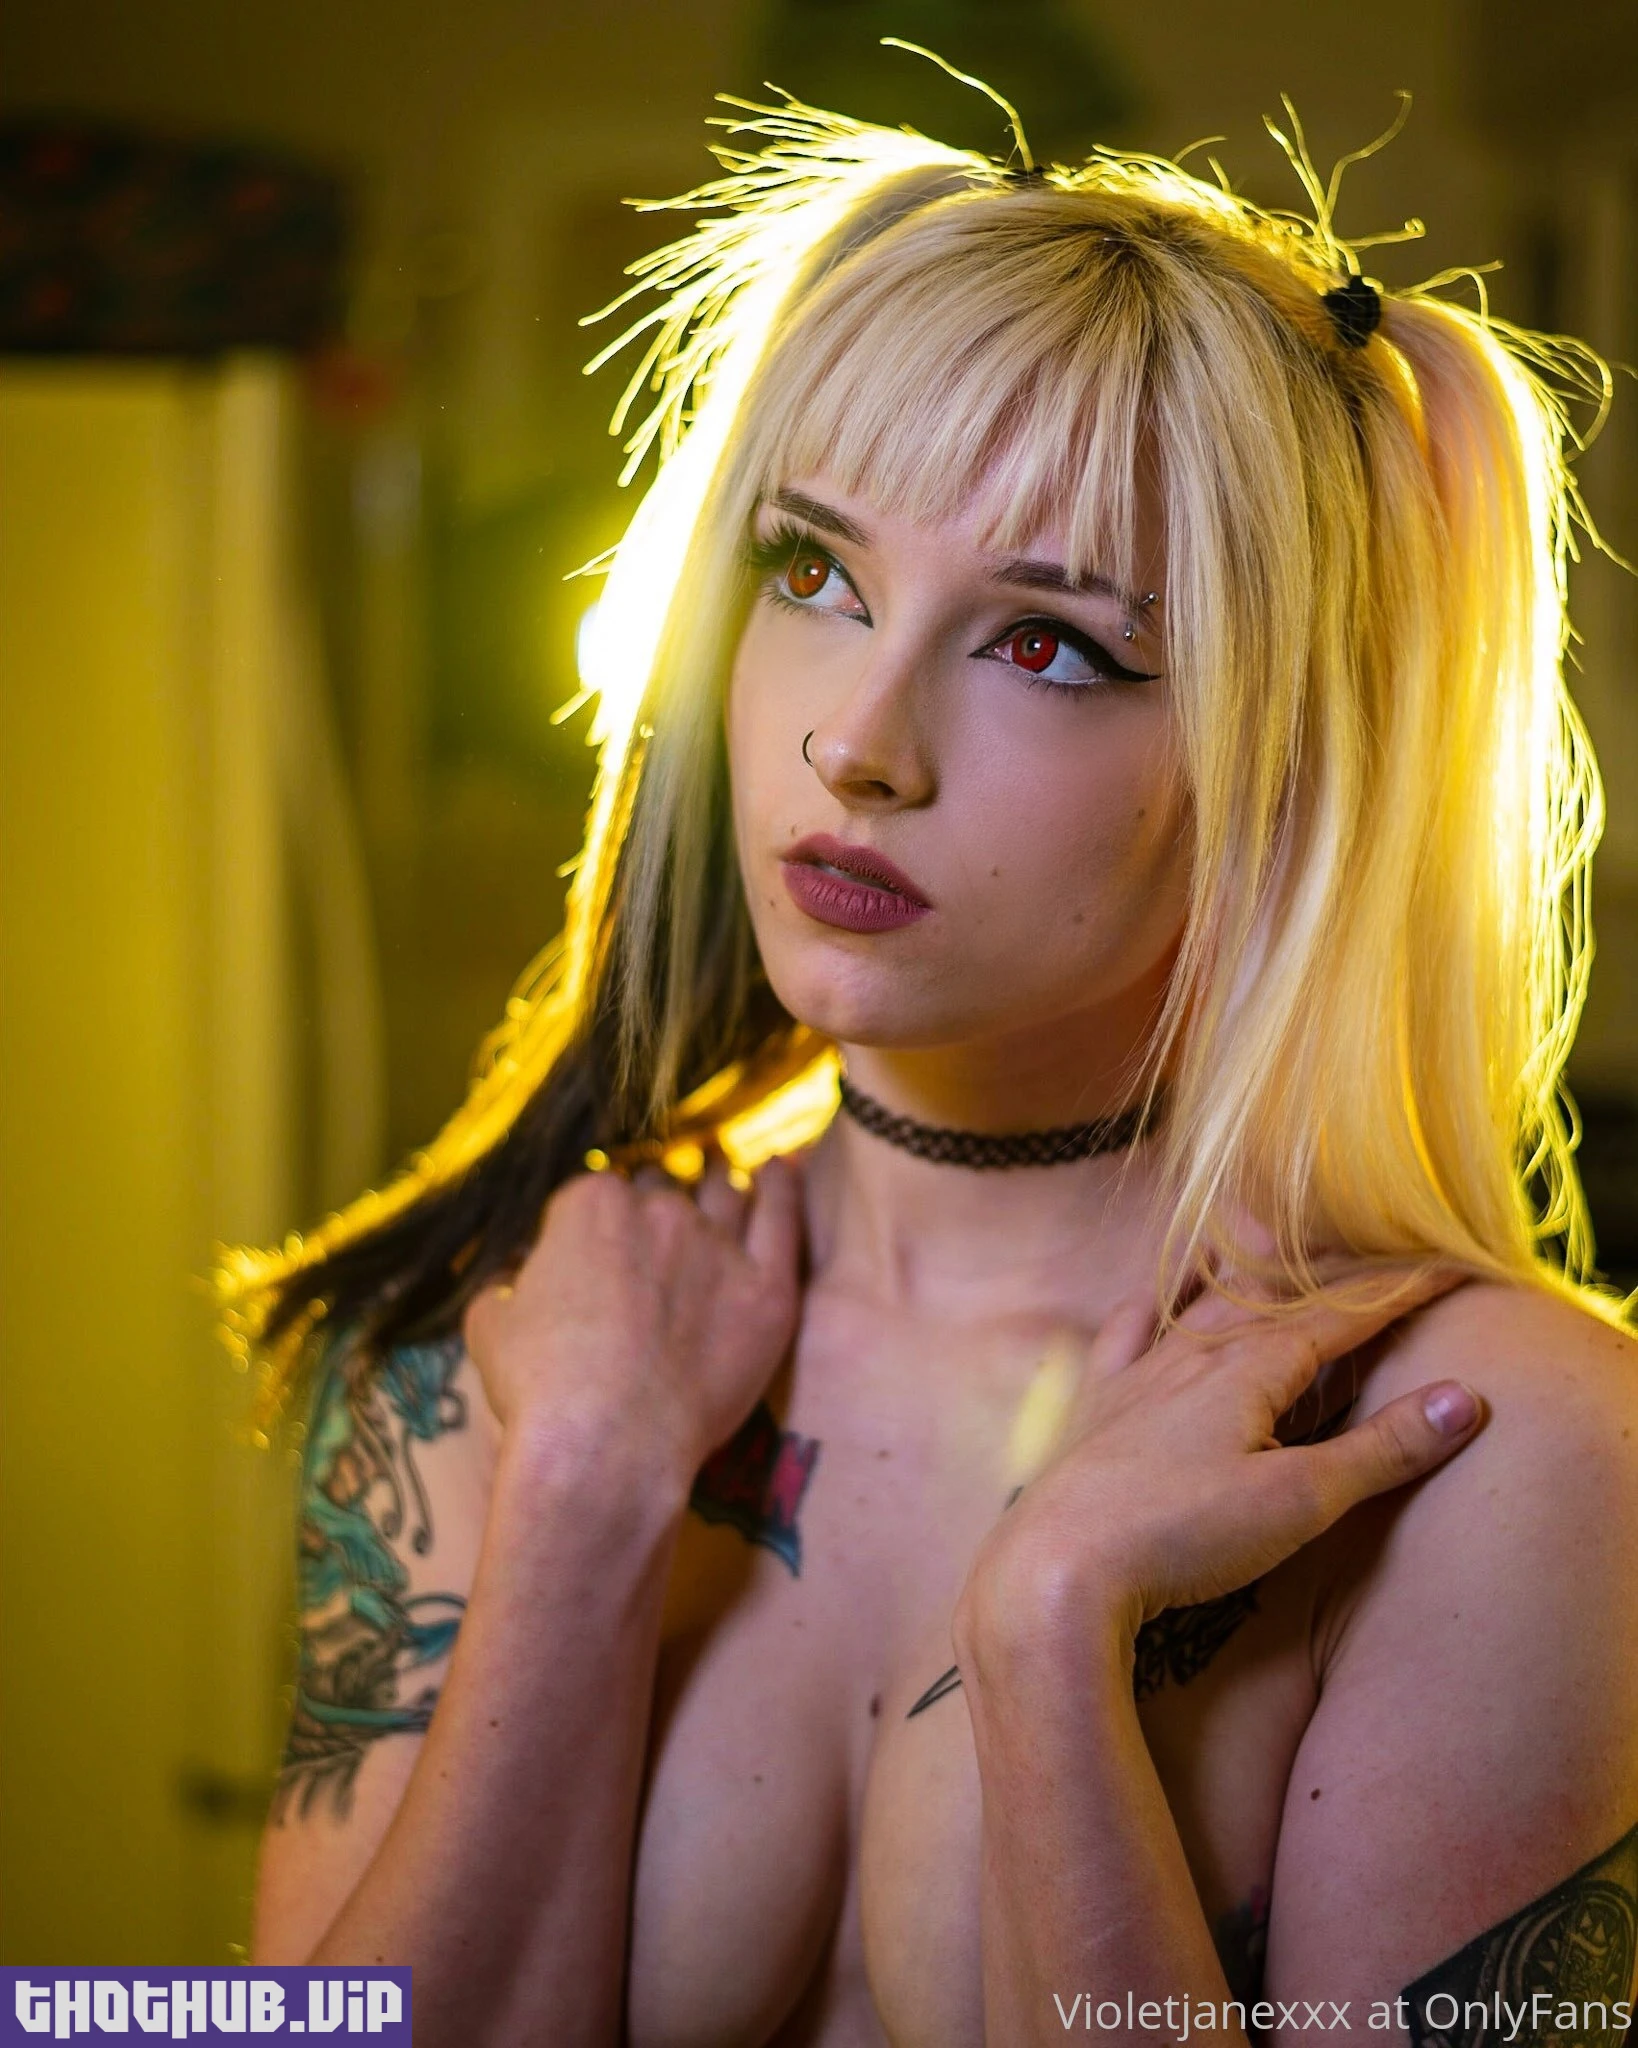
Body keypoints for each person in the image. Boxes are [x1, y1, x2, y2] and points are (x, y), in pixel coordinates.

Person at [227, 72, 1638, 2045]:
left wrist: (1055, 1640)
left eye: (1045, 642)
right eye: (812, 573)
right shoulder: (524, 1334)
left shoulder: (1485, 1450)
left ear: (1289, 768)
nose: (858, 743)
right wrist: (578, 1504)